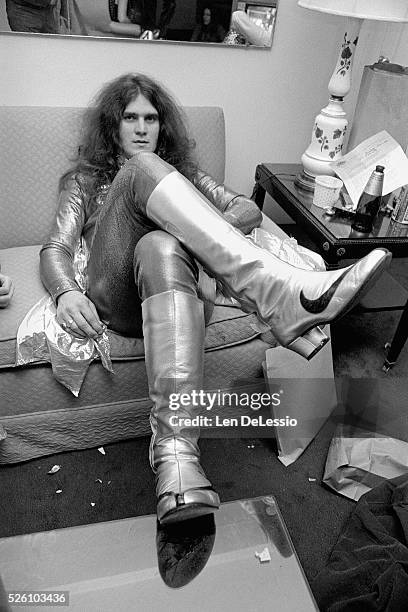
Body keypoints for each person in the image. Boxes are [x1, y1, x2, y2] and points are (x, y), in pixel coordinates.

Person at [40, 72, 391, 525]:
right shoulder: (86, 181)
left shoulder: (181, 176)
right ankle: (275, 294)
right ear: (114, 125)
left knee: (161, 245)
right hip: (118, 295)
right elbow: (56, 248)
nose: (143, 129)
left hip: (180, 290)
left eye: (151, 118)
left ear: (162, 126)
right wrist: (67, 290)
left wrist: (194, 229)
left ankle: (177, 459)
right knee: (141, 172)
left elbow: (248, 208)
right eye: (131, 118)